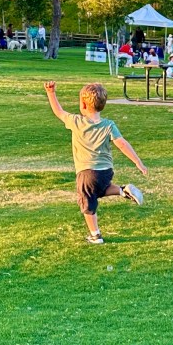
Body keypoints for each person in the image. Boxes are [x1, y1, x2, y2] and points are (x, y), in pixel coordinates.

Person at [45, 81, 147, 245]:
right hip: (106, 170)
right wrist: (138, 162)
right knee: (99, 189)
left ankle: (95, 235)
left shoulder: (76, 121)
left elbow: (59, 112)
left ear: (83, 104)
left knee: (87, 202)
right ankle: (123, 191)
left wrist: (51, 93)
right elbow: (121, 143)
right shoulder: (109, 125)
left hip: (87, 172)